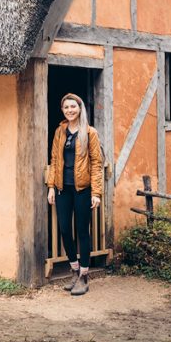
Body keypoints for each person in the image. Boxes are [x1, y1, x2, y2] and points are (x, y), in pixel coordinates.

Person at [46, 92, 104, 296]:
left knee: (82, 231)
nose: (70, 110)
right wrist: (51, 186)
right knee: (64, 229)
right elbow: (54, 159)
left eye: (73, 107)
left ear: (80, 108)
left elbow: (97, 163)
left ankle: (84, 277)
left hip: (83, 189)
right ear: (62, 110)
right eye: (66, 107)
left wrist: (96, 192)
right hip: (63, 188)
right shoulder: (60, 131)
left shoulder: (89, 133)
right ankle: (74, 269)